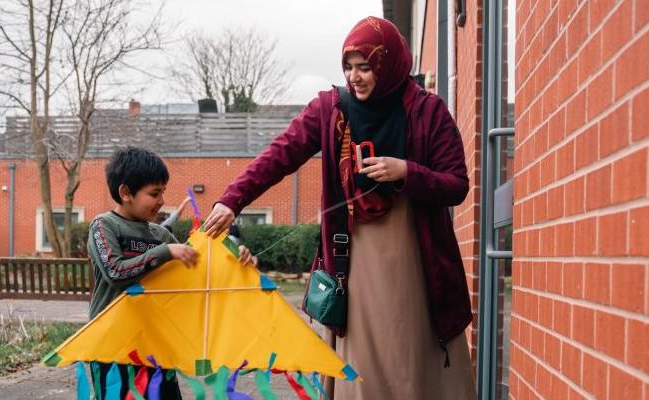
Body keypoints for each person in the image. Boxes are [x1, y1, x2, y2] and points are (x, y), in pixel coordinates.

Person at [201, 16, 475, 399]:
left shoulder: (429, 112)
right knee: (362, 360)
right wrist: (232, 200)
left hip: (417, 257)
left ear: (388, 62)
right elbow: (280, 154)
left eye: (365, 66)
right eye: (349, 67)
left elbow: (457, 184)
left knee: (413, 351)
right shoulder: (331, 109)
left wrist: (406, 172)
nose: (355, 77)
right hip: (354, 258)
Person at [87, 147, 254, 399]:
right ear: (125, 193)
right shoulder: (104, 225)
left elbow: (197, 271)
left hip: (156, 344)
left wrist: (236, 259)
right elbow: (115, 271)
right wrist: (165, 252)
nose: (162, 200)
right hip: (112, 345)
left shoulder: (161, 235)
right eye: (154, 193)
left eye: (163, 192)